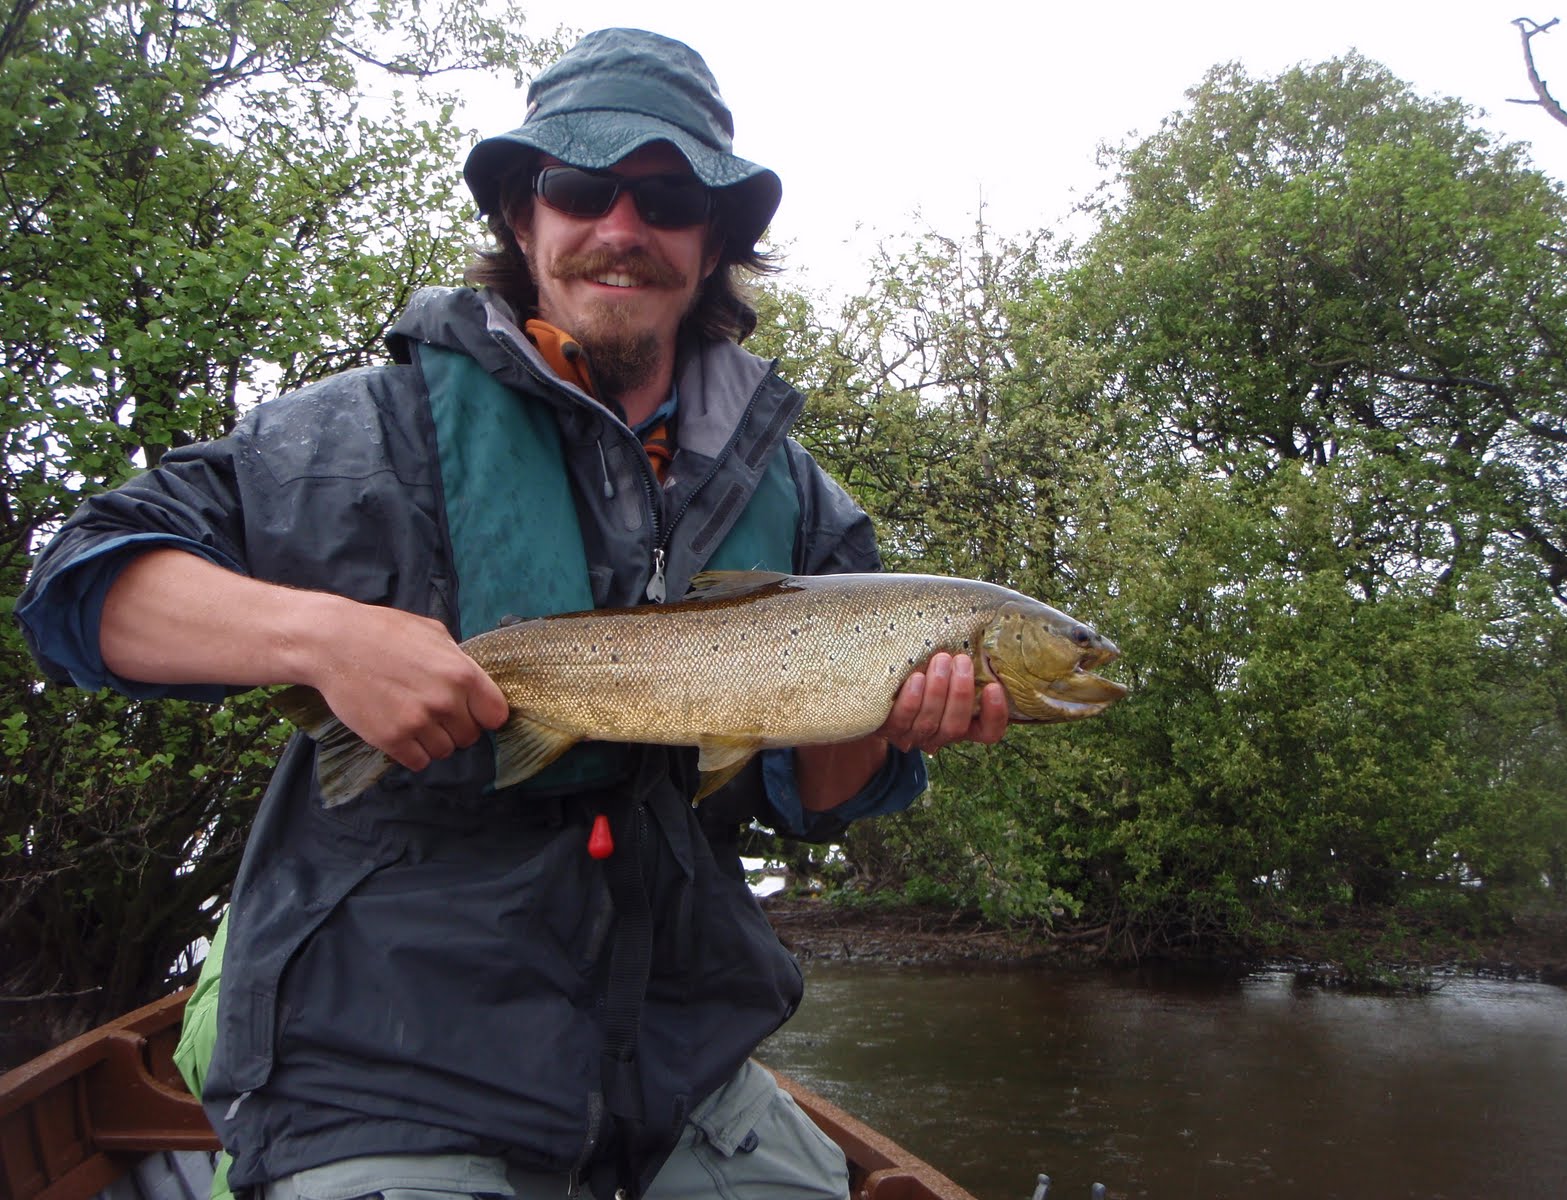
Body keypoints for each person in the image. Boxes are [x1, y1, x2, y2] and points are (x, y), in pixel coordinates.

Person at [15, 27, 1010, 1200]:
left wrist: (882, 716)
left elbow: (813, 801)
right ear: (521, 215)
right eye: (581, 188)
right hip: (381, 1070)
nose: (621, 228)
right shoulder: (358, 436)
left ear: (717, 238)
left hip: (685, 1073)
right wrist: (319, 639)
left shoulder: (799, 503)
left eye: (669, 197)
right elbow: (80, 584)